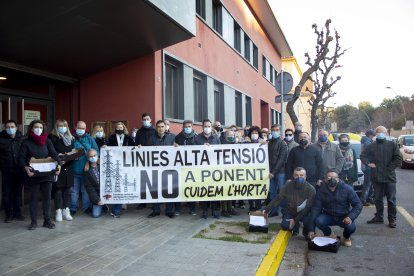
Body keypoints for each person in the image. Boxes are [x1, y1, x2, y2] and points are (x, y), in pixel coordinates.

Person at [19, 120, 62, 230]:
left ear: (43, 129)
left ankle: (47, 220)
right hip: (34, 174)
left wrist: (59, 165)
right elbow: (21, 158)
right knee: (33, 199)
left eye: (41, 127)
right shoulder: (26, 142)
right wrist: (26, 168)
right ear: (32, 129)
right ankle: (33, 222)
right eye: (36, 127)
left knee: (47, 198)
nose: (38, 129)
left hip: (47, 174)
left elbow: (54, 154)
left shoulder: (47, 141)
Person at [361, 126, 401, 228]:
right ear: (375, 134)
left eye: (382, 131)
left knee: (391, 199)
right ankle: (379, 217)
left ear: (386, 133)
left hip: (389, 178)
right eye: (378, 132)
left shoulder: (392, 145)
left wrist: (388, 169)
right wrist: (368, 163)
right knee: (378, 199)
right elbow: (363, 156)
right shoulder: (371, 145)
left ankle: (392, 219)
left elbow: (398, 159)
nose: (380, 133)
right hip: (376, 177)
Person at [311, 170, 362, 247]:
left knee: (351, 227)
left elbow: (358, 204)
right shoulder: (321, 191)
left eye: (334, 177)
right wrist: (311, 229)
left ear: (338, 179)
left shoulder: (347, 189)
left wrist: (350, 217)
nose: (332, 179)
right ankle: (329, 234)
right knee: (318, 221)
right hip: (328, 215)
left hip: (344, 216)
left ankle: (346, 237)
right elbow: (316, 208)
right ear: (325, 180)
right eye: (329, 177)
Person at [264, 167, 316, 238]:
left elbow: (308, 207)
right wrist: (266, 210)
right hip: (291, 211)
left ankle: (305, 231)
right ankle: (295, 228)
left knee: (308, 221)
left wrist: (295, 220)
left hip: (304, 212)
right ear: (293, 176)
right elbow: (279, 198)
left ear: (305, 177)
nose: (299, 177)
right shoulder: (288, 185)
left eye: (301, 175)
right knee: (285, 226)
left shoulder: (311, 189)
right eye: (296, 175)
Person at [147, 120, 176, 218]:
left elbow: (178, 152)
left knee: (169, 189)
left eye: (162, 126)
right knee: (155, 189)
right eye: (158, 127)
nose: (160, 128)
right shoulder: (151, 139)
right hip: (155, 169)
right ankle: (156, 210)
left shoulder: (172, 137)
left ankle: (169, 211)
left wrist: (177, 147)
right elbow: (146, 153)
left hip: (168, 169)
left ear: (165, 127)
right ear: (156, 128)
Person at [48, 119, 74, 222]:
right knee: (58, 189)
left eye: (64, 126)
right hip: (57, 167)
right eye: (60, 126)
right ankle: (58, 211)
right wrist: (58, 160)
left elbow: (72, 150)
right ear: (56, 127)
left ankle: (66, 210)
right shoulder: (52, 138)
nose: (62, 128)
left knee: (68, 189)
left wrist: (74, 155)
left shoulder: (71, 138)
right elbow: (50, 152)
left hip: (69, 166)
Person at [195, 119, 221, 219]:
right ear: (202, 127)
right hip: (202, 169)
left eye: (209, 126)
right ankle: (205, 211)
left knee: (214, 190)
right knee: (204, 190)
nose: (207, 128)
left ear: (211, 127)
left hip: (214, 168)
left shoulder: (216, 139)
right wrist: (201, 148)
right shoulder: (197, 139)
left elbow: (220, 152)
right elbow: (192, 152)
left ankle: (215, 211)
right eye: (205, 126)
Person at [71, 121, 99, 215]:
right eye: (79, 128)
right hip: (74, 169)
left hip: (87, 170)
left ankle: (86, 208)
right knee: (74, 191)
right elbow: (67, 152)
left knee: (85, 191)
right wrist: (73, 156)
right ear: (75, 127)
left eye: (83, 128)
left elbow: (96, 151)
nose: (81, 130)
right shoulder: (71, 139)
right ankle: (73, 208)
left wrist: (89, 162)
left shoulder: (90, 139)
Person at [0, 120, 25, 223]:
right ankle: (8, 214)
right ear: (5, 128)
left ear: (16, 127)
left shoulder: (22, 138)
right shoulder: (1, 139)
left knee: (18, 192)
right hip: (7, 170)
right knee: (7, 193)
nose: (10, 129)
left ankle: (17, 213)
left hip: (19, 170)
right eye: (8, 127)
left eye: (12, 126)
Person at [174, 120, 197, 215]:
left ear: (192, 127)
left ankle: (192, 209)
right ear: (182, 127)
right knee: (178, 188)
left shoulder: (196, 137)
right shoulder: (178, 137)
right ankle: (177, 209)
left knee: (192, 188)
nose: (187, 128)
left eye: (189, 126)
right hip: (180, 166)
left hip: (192, 167)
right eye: (186, 126)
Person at [83, 149, 113, 218]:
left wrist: (106, 148)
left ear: (98, 155)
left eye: (94, 155)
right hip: (97, 195)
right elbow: (90, 188)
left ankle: (104, 204)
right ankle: (101, 205)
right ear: (88, 158)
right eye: (91, 156)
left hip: (107, 192)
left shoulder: (103, 165)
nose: (93, 157)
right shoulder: (86, 171)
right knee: (95, 215)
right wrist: (97, 200)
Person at [267, 124, 288, 216]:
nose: (275, 131)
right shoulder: (269, 143)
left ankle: (285, 211)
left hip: (280, 172)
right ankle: (274, 210)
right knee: (272, 192)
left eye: (277, 130)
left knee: (282, 192)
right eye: (273, 130)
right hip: (270, 172)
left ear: (280, 131)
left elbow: (281, 159)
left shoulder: (283, 144)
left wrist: (273, 172)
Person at [220, 130, 240, 217]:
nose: (232, 137)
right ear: (225, 136)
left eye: (233, 135)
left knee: (231, 190)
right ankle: (224, 210)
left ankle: (230, 208)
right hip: (223, 170)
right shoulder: (221, 143)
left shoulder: (234, 144)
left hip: (232, 170)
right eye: (230, 135)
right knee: (225, 191)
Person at [360, 129, 376, 205]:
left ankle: (369, 198)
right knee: (367, 184)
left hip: (366, 165)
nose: (373, 137)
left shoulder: (365, 141)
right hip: (368, 166)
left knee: (370, 183)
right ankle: (363, 200)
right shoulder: (367, 143)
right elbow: (372, 153)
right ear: (370, 135)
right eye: (373, 136)